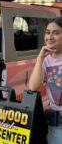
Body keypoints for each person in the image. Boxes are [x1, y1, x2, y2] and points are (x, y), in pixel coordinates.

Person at [29, 16, 62, 144]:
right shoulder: (46, 60)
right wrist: (40, 59)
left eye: (56, 33)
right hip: (57, 122)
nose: (50, 37)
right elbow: (33, 87)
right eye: (47, 32)